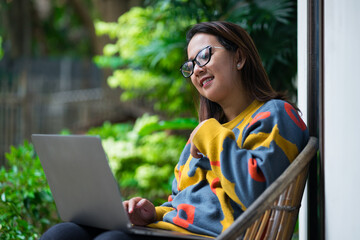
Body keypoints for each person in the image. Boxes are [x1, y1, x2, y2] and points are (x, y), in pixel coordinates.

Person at [40, 21, 309, 240]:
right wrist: (152, 214)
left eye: (205, 55)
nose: (196, 70)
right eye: (190, 65)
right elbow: (182, 203)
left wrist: (209, 133)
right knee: (63, 233)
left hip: (215, 237)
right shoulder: (204, 133)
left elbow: (258, 195)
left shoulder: (274, 114)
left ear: (239, 57)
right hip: (172, 232)